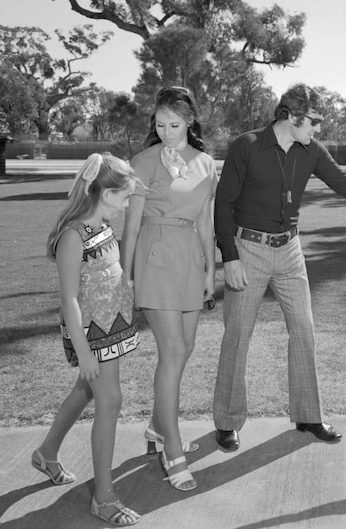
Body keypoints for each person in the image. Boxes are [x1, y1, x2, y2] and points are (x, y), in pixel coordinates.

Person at [212, 83, 346, 450]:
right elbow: (223, 204)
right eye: (314, 121)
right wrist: (230, 256)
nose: (317, 129)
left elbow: (345, 183)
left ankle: (307, 415)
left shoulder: (310, 150)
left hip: (290, 250)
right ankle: (226, 421)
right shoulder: (247, 146)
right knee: (238, 335)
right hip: (248, 249)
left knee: (304, 330)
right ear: (290, 116)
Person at [121, 87, 217, 492]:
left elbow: (206, 223)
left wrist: (211, 271)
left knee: (186, 348)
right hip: (154, 258)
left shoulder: (207, 164)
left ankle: (157, 428)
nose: (166, 132)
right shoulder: (141, 163)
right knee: (173, 351)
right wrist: (125, 278)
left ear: (190, 121)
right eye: (159, 125)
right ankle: (171, 449)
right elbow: (130, 225)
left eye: (174, 125)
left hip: (191, 261)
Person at [37, 153, 140, 526]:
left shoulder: (104, 227)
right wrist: (84, 352)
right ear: (107, 192)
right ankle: (104, 499)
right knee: (110, 400)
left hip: (109, 328)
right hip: (90, 335)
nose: (127, 203)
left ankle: (46, 453)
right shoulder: (73, 235)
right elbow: (68, 300)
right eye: (125, 196)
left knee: (87, 390)